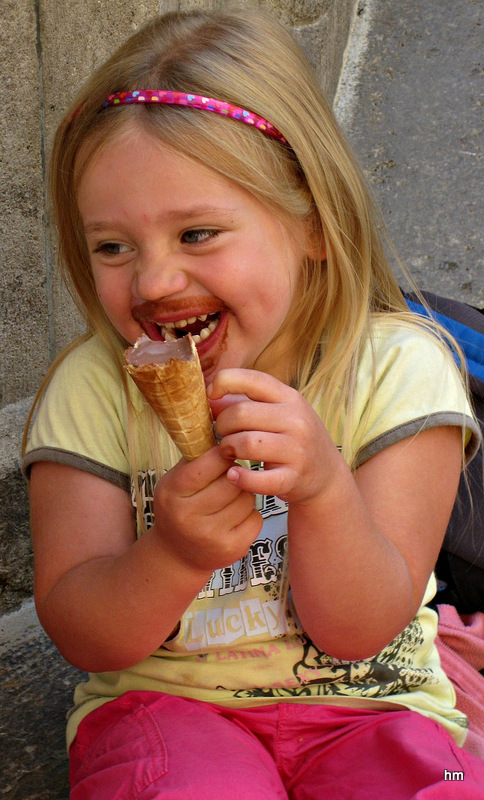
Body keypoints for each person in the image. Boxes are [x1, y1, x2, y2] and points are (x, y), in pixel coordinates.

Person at [22, 8, 484, 799]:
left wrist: (326, 492)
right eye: (112, 247)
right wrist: (169, 555)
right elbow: (83, 635)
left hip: (374, 705)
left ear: (311, 221)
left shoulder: (401, 370)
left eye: (197, 233)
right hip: (167, 707)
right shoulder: (93, 389)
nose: (153, 281)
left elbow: (360, 627)